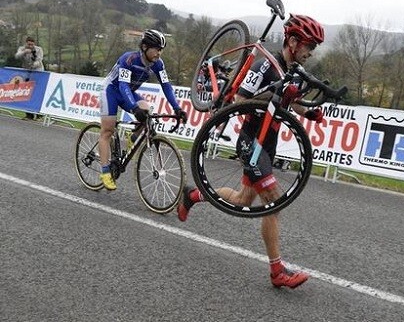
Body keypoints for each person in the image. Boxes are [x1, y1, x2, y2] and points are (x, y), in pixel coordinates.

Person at [178, 14, 325, 289]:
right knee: (273, 199)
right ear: (293, 42)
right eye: (308, 46)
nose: (310, 52)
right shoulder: (265, 65)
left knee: (243, 199)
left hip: (268, 143)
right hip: (251, 141)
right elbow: (240, 99)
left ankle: (193, 195)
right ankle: (277, 271)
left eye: (313, 48)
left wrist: (310, 113)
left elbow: (289, 102)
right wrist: (271, 97)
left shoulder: (291, 71)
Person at [99, 29, 187, 190]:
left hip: (129, 92)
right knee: (107, 131)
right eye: (156, 48)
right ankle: (105, 171)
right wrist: (133, 107)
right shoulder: (129, 59)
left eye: (161, 50)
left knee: (147, 112)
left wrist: (177, 108)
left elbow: (166, 87)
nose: (159, 53)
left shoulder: (158, 64)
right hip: (111, 90)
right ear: (145, 47)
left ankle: (133, 139)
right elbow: (123, 84)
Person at [15, 36, 44, 120]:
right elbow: (17, 56)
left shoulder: (39, 49)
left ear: (34, 44)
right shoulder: (22, 48)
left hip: (37, 72)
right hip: (27, 73)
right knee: (27, 93)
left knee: (37, 93)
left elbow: (39, 61)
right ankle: (29, 114)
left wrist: (33, 64)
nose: (30, 46)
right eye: (29, 44)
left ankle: (39, 115)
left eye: (32, 44)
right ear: (26, 43)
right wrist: (24, 52)